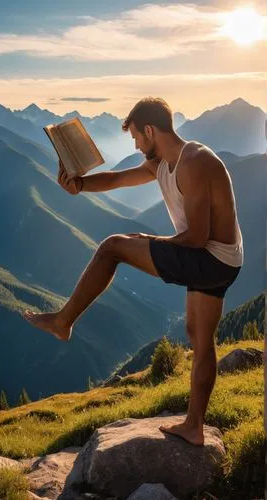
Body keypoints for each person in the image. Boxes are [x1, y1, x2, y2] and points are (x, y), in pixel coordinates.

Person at [23, 97, 243, 446]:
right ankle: (194, 427)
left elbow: (198, 237)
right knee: (199, 338)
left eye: (138, 139)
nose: (137, 146)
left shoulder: (194, 162)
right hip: (224, 260)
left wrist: (149, 241)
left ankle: (63, 322)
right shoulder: (162, 163)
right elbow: (117, 180)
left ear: (150, 130)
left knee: (113, 247)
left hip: (210, 257)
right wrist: (80, 186)